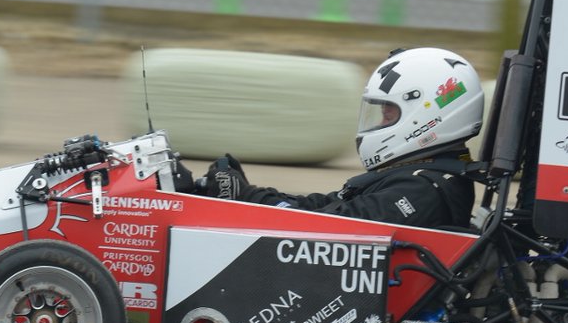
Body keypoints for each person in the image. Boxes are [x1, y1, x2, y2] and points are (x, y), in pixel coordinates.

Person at [193, 47, 484, 229]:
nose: (381, 122)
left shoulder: (424, 190)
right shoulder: (422, 173)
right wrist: (249, 196)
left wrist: (244, 198)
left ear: (426, 115)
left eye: (388, 114)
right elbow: (324, 206)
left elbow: (327, 226)